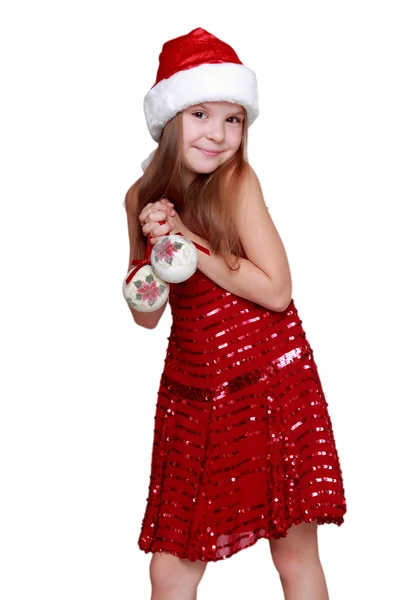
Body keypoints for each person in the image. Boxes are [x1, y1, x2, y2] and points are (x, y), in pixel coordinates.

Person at [124, 27, 347, 600]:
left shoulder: (237, 182)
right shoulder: (142, 196)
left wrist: (189, 242)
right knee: (170, 569)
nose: (218, 134)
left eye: (233, 119)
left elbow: (276, 290)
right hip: (195, 391)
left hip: (269, 380)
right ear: (172, 118)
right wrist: (152, 262)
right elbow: (148, 315)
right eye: (201, 113)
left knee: (294, 551)